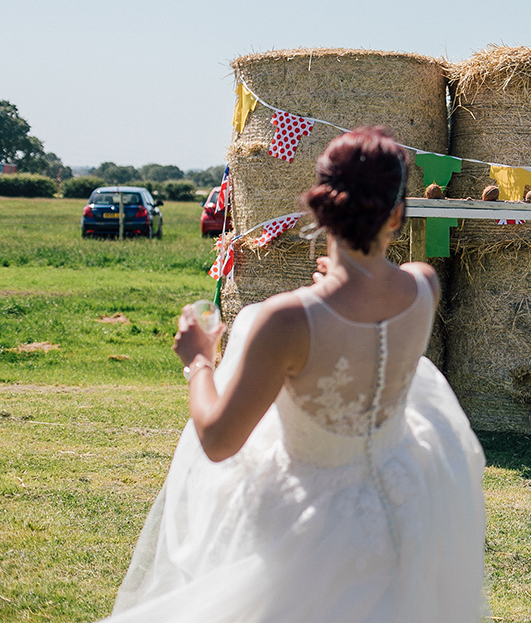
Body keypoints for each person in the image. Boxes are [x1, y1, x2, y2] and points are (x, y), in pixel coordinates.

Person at [103, 126, 487, 622]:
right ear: (397, 212)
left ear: (318, 207)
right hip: (406, 504)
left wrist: (199, 360)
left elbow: (218, 440)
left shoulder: (283, 321)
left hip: (309, 522)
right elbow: (369, 316)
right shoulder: (423, 286)